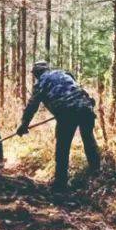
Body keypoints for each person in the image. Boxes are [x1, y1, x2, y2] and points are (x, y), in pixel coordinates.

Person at [17, 61, 100, 191]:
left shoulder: (40, 83)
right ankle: (97, 175)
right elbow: (76, 88)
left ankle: (61, 184)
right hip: (85, 106)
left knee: (62, 146)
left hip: (67, 112)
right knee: (89, 140)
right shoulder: (64, 73)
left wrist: (24, 124)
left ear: (37, 73)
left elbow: (32, 106)